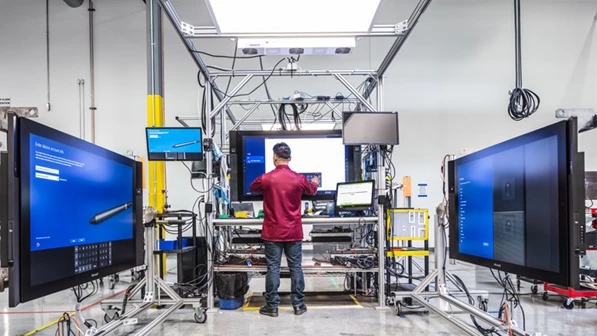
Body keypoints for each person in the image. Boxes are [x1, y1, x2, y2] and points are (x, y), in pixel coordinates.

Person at [249, 142, 320, 317]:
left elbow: (252, 187)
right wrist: (315, 182)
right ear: (290, 158)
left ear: (274, 157)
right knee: (296, 267)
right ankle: (298, 305)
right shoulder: (299, 178)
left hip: (272, 231)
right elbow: (311, 190)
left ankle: (272, 307)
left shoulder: (266, 178)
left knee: (273, 267)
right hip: (293, 231)